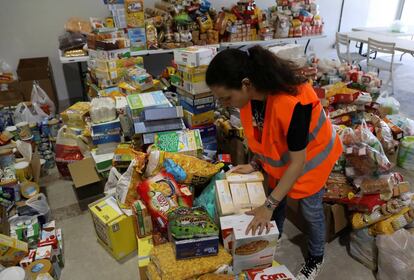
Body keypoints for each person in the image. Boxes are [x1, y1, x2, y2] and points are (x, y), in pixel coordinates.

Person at [206, 45, 343, 280]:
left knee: (310, 210)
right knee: (275, 199)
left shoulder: (293, 103)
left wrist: (267, 206)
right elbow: (268, 138)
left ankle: (316, 257)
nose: (225, 104)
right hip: (289, 160)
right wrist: (256, 164)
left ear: (246, 84)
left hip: (313, 161)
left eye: (227, 98)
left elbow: (298, 163)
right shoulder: (252, 98)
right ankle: (271, 238)